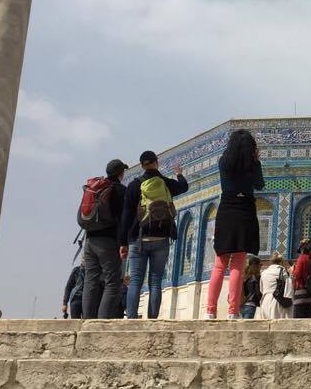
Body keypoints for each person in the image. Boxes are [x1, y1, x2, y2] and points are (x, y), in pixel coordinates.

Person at [119, 150, 189, 319]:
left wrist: (123, 242)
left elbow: (126, 216)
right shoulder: (165, 183)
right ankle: (152, 319)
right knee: (155, 281)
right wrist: (179, 174)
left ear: (142, 165)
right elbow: (184, 187)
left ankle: (132, 318)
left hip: (139, 238)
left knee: (135, 280)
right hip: (161, 238)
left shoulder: (134, 185)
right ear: (156, 162)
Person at [205, 130, 264, 320]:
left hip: (227, 209)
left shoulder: (224, 161)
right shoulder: (253, 164)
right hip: (245, 210)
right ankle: (232, 311)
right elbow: (260, 184)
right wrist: (256, 161)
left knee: (219, 265)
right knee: (238, 264)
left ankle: (210, 311)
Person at [81, 160, 127, 319]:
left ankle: (86, 321)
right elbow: (122, 219)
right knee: (112, 282)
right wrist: (123, 242)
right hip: (107, 242)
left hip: (90, 240)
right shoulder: (120, 190)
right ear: (121, 173)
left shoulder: (97, 189)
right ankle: (101, 322)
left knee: (90, 281)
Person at [257, 252, 292, 319]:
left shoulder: (264, 272)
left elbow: (261, 289)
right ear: (281, 262)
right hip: (278, 300)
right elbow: (289, 287)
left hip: (265, 300)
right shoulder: (282, 271)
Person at [291, 241, 311, 318]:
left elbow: (296, 275)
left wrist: (292, 270)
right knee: (307, 321)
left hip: (302, 296)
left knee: (298, 323)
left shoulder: (302, 258)